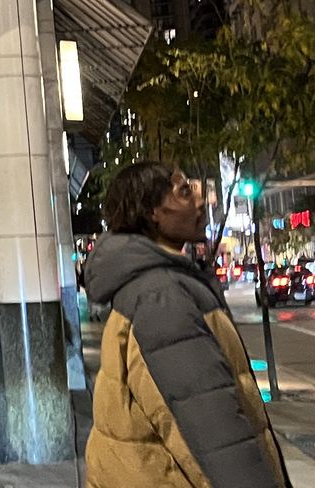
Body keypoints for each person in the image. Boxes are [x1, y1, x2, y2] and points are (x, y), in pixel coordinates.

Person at [85, 161, 289, 487]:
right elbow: (214, 428)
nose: (200, 200)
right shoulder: (162, 297)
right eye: (184, 192)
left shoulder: (152, 286)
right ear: (152, 212)